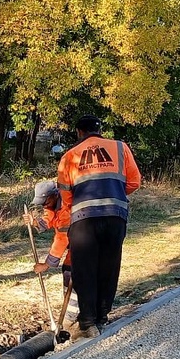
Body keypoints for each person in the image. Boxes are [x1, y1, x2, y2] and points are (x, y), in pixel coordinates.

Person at [56, 115, 141, 340]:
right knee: (109, 266)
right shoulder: (120, 148)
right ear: (99, 130)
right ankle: (102, 316)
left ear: (79, 132)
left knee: (84, 270)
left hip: (83, 219)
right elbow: (134, 182)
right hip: (115, 216)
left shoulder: (69, 157)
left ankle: (87, 322)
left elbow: (65, 195)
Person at [27, 180, 74, 321]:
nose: (43, 206)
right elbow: (49, 219)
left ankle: (75, 317)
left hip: (84, 241)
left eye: (45, 202)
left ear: (54, 195)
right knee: (67, 271)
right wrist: (35, 222)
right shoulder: (52, 204)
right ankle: (70, 315)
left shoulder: (67, 207)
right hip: (76, 240)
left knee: (73, 272)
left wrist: (47, 264)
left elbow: (62, 238)